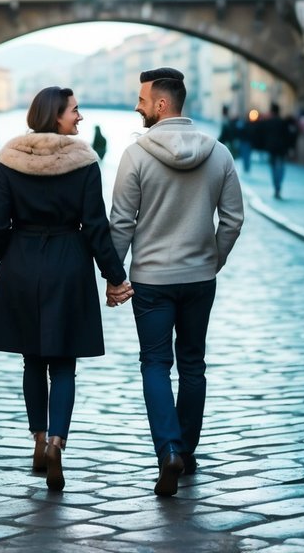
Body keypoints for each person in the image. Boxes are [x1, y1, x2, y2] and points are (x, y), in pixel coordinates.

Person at [0, 86, 132, 492]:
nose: (80, 117)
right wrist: (115, 275)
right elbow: (96, 225)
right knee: (64, 362)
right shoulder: (84, 161)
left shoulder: (9, 158)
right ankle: (56, 444)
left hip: (22, 262)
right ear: (56, 116)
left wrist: (9, 253)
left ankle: (36, 440)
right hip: (69, 262)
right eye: (74, 110)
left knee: (32, 359)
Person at [108, 67, 244, 497]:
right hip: (199, 277)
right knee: (193, 365)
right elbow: (234, 219)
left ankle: (167, 449)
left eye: (142, 100)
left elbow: (121, 225)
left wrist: (114, 275)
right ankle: (185, 450)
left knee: (154, 364)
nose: (137, 106)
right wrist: (213, 259)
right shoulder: (218, 152)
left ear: (161, 104)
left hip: (151, 280)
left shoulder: (136, 155)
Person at [258, 101, 290, 199]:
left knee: (273, 169)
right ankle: (278, 187)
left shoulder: (268, 122)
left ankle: (276, 187)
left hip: (272, 149)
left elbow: (262, 135)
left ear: (272, 111)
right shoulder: (282, 122)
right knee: (280, 168)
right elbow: (287, 136)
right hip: (281, 149)